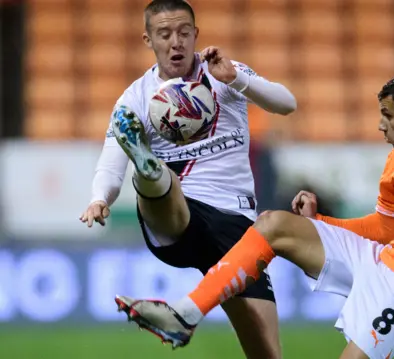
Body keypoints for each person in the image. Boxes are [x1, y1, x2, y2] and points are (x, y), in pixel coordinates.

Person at [117, 70, 394, 358]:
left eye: (388, 117)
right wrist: (320, 223)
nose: (381, 126)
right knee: (273, 225)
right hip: (384, 261)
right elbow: (386, 228)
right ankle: (185, 314)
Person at [78, 0, 296, 358]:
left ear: (196, 35)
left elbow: (286, 104)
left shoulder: (225, 72)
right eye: (164, 34)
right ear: (148, 39)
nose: (175, 42)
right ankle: (149, 171)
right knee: (165, 181)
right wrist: (100, 197)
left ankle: (152, 174)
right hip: (181, 214)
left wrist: (236, 79)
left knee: (267, 353)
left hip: (238, 226)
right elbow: (111, 163)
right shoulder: (135, 99)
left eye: (183, 33)